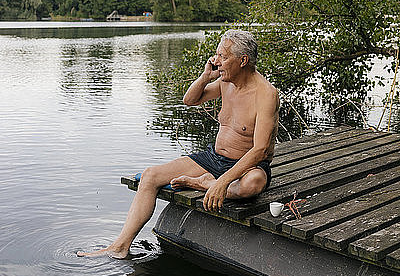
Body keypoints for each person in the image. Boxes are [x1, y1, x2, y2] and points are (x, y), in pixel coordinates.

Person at [77, 29, 279, 258]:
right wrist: (205, 77)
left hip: (248, 166)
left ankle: (203, 183)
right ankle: (120, 246)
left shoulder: (266, 94)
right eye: (216, 55)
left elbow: (260, 149)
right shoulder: (226, 81)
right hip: (213, 158)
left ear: (242, 61)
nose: (216, 61)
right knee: (150, 175)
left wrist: (221, 183)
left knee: (251, 185)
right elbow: (189, 100)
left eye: (223, 56)